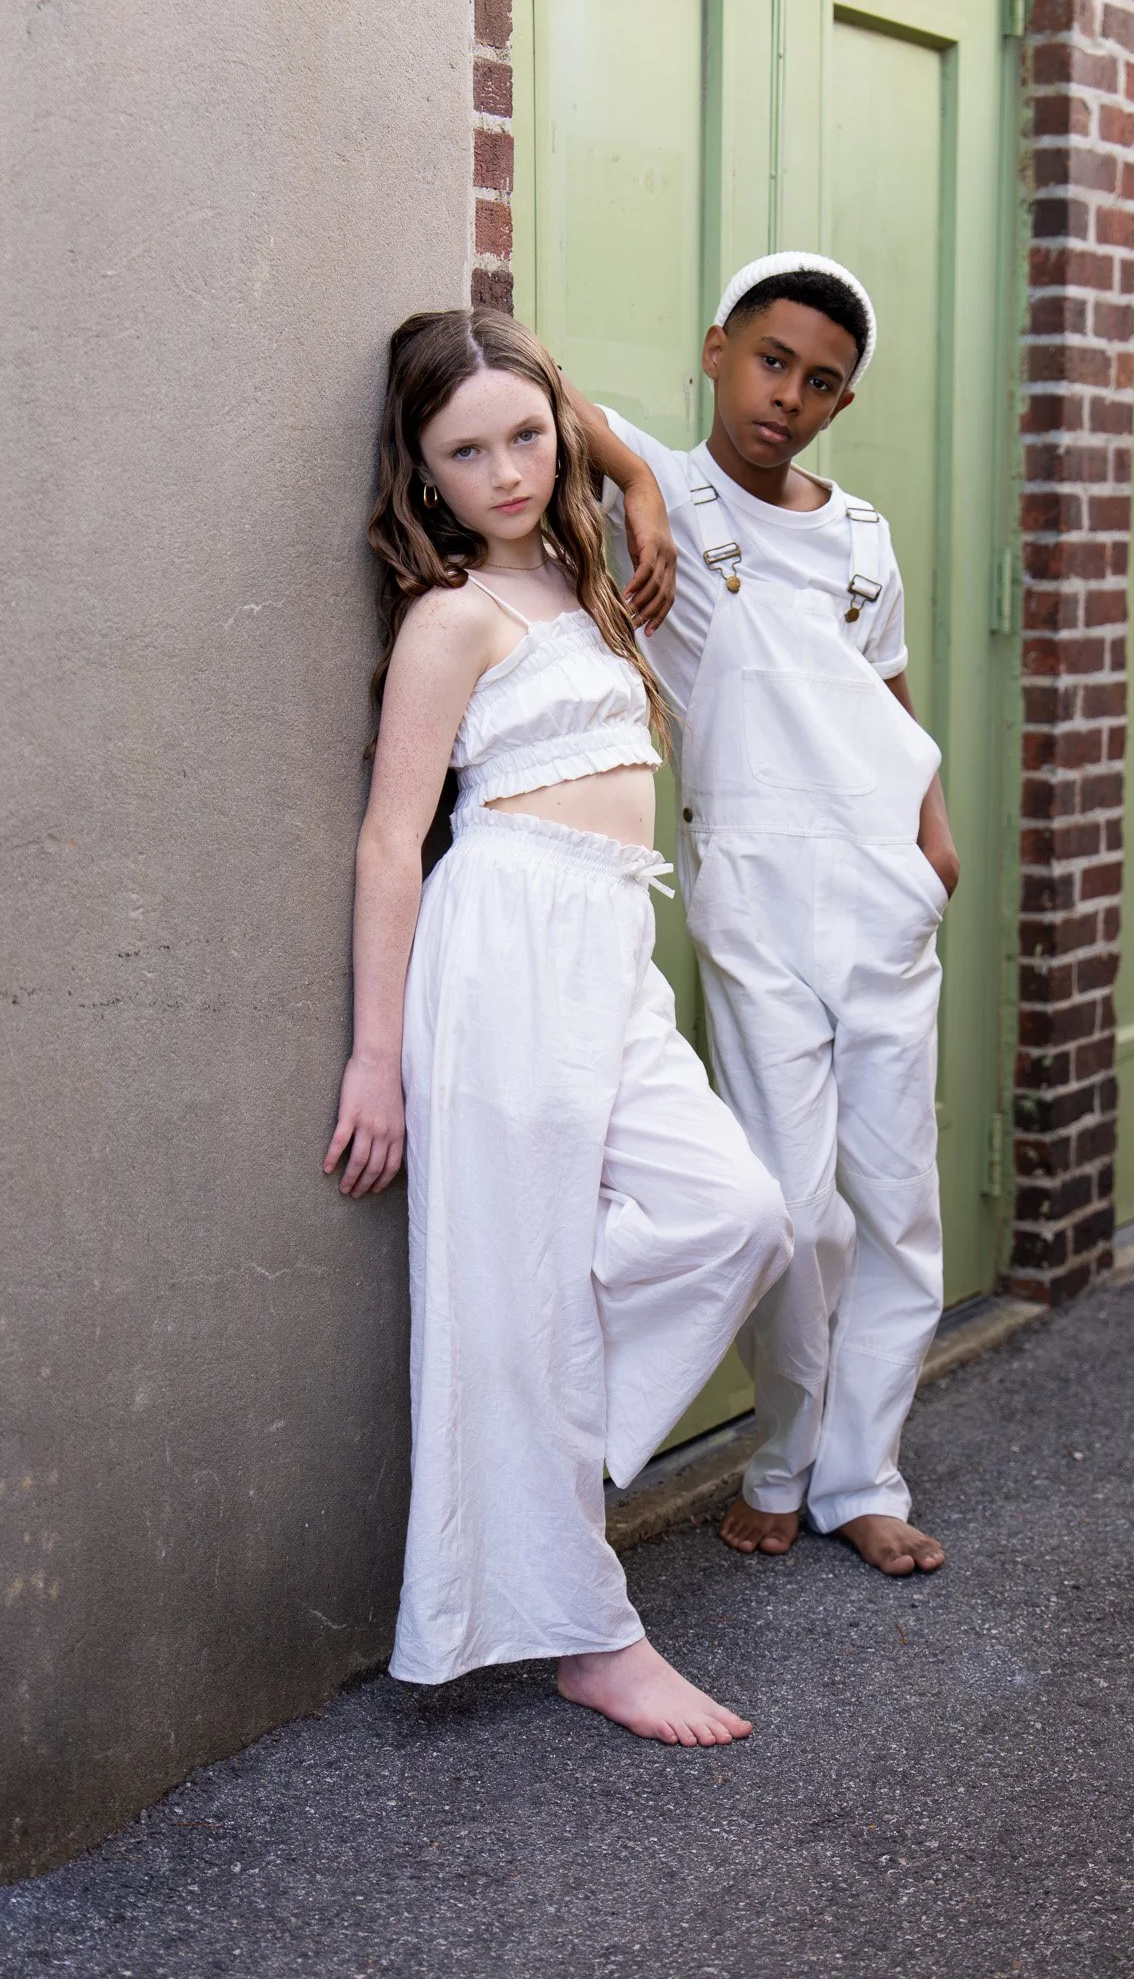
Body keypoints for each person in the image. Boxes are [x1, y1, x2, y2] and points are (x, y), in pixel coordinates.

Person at [324, 307, 792, 1745]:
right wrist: (375, 1055)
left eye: (529, 436)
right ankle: (592, 1635)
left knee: (739, 1214)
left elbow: (577, 425)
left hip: (608, 946)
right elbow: (393, 841)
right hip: (505, 951)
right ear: (423, 473)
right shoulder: (452, 617)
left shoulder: (585, 589)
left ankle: (537, 1452)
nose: (510, 470)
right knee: (513, 1290)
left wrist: (635, 480)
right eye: (466, 452)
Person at [565, 252, 960, 1579]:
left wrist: (935, 841)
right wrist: (627, 482)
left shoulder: (862, 540)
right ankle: (782, 1453)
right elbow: (528, 380)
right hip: (753, 891)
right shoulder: (666, 487)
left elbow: (884, 698)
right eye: (771, 361)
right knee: (795, 1208)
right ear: (718, 347)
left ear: (844, 404)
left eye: (821, 382)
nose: (788, 397)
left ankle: (862, 1477)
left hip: (883, 895)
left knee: (897, 1200)